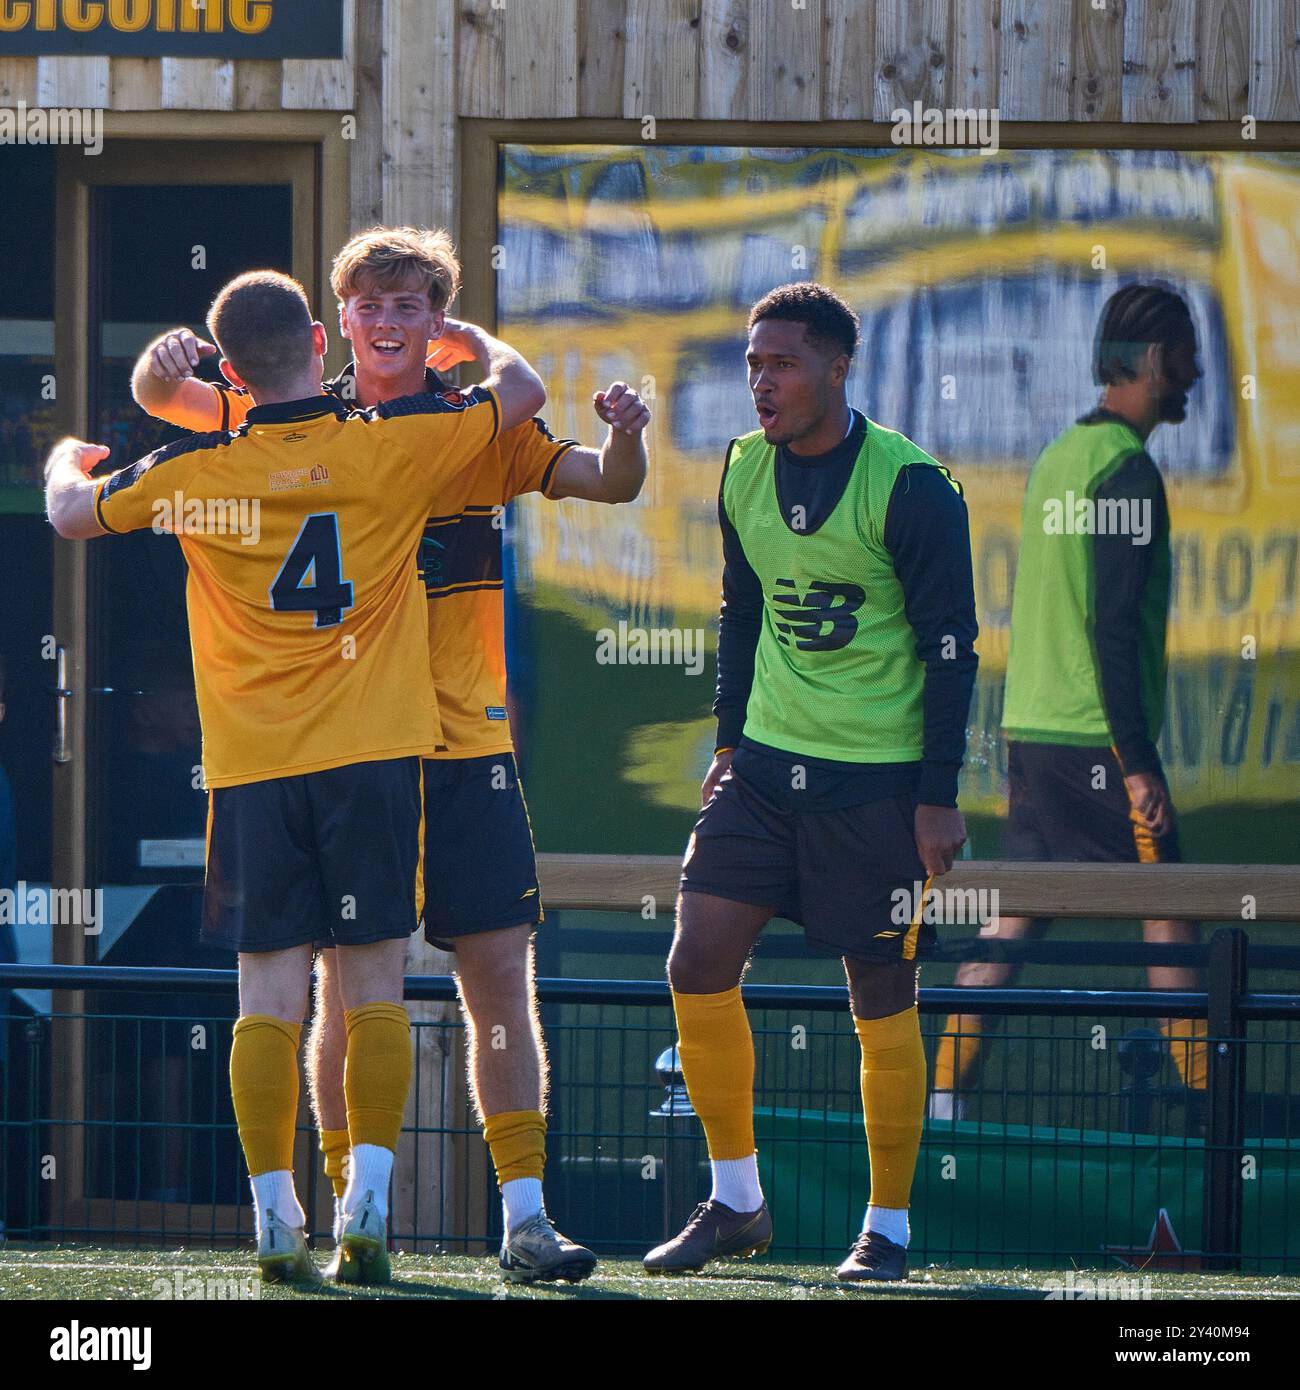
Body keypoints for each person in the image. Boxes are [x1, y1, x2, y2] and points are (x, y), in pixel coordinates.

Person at [131, 226, 650, 1283]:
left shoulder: (473, 425)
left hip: (463, 739)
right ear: (338, 318)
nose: (387, 321)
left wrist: (629, 433)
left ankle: (524, 1217)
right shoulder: (290, 413)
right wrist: (164, 359)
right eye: (369, 303)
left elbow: (606, 482)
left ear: (438, 319)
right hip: (356, 745)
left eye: (410, 303)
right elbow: (162, 400)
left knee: (499, 974)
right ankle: (348, 1212)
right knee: (341, 983)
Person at [46, 268, 545, 1286]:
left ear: (230, 370)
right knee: (373, 987)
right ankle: (367, 1202)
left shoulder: (191, 472)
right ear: (321, 342)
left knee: (266, 997)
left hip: (254, 767)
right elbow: (523, 392)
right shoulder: (389, 445)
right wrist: (466, 342)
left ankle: (275, 1217)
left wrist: (69, 449)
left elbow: (66, 512)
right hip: (373, 755)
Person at [645, 282, 978, 1282]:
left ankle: (889, 1227)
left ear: (839, 367)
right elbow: (738, 610)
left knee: (879, 991)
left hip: (873, 787)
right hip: (760, 773)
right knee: (695, 958)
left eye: (781, 363)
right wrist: (725, 740)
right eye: (751, 363)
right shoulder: (742, 469)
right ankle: (737, 1199)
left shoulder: (912, 484)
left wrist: (935, 793)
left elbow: (952, 647)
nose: (761, 381)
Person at [931, 282, 1207, 1122]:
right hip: (1097, 744)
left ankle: (940, 1101)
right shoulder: (1126, 467)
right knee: (1172, 910)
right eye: (1188, 357)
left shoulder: (1061, 455)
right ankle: (1212, 1111)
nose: (1196, 375)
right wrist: (1139, 764)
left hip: (1035, 732)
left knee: (1020, 909)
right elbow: (1112, 625)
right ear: (1156, 361)